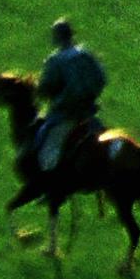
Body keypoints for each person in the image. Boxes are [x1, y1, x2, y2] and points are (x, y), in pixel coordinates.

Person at [34, 17, 106, 178]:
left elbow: (46, 87)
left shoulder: (55, 59)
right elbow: (101, 79)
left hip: (64, 112)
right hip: (89, 112)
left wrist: (42, 91)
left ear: (57, 37)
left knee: (43, 140)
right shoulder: (87, 54)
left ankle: (49, 179)